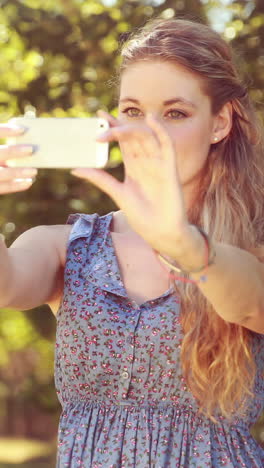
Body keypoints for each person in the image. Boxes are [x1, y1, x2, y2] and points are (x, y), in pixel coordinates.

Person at [0, 16, 264, 468]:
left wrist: (183, 244)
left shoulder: (248, 247)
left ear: (220, 123)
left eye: (175, 113)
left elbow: (247, 304)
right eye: (133, 111)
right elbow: (6, 287)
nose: (147, 131)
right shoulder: (70, 246)